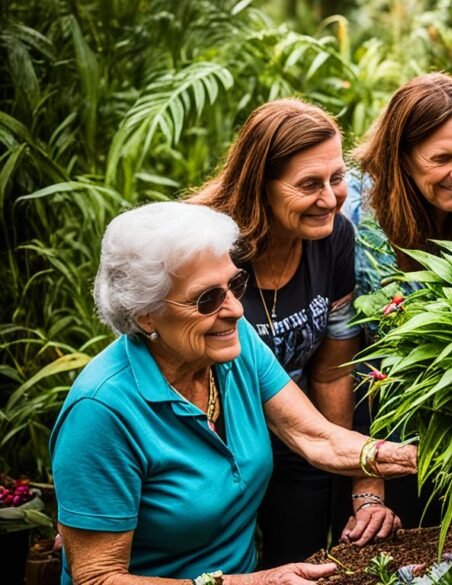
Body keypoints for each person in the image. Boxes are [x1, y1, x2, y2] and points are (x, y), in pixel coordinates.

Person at [50, 202, 417, 585]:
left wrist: (419, 458)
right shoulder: (101, 412)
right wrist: (256, 583)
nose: (236, 310)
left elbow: (316, 437)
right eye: (207, 299)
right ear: (146, 313)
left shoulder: (232, 346)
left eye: (235, 285)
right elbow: (96, 578)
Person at [190, 98, 398, 564]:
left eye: (337, 178)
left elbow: (331, 370)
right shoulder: (204, 244)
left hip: (298, 429)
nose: (330, 198)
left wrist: (348, 468)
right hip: (213, 441)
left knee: (303, 561)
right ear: (261, 184)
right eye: (309, 184)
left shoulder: (334, 237)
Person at [345, 72, 452, 525]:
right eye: (442, 158)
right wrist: (367, 487)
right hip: (375, 443)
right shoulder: (355, 223)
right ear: (401, 158)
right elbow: (343, 363)